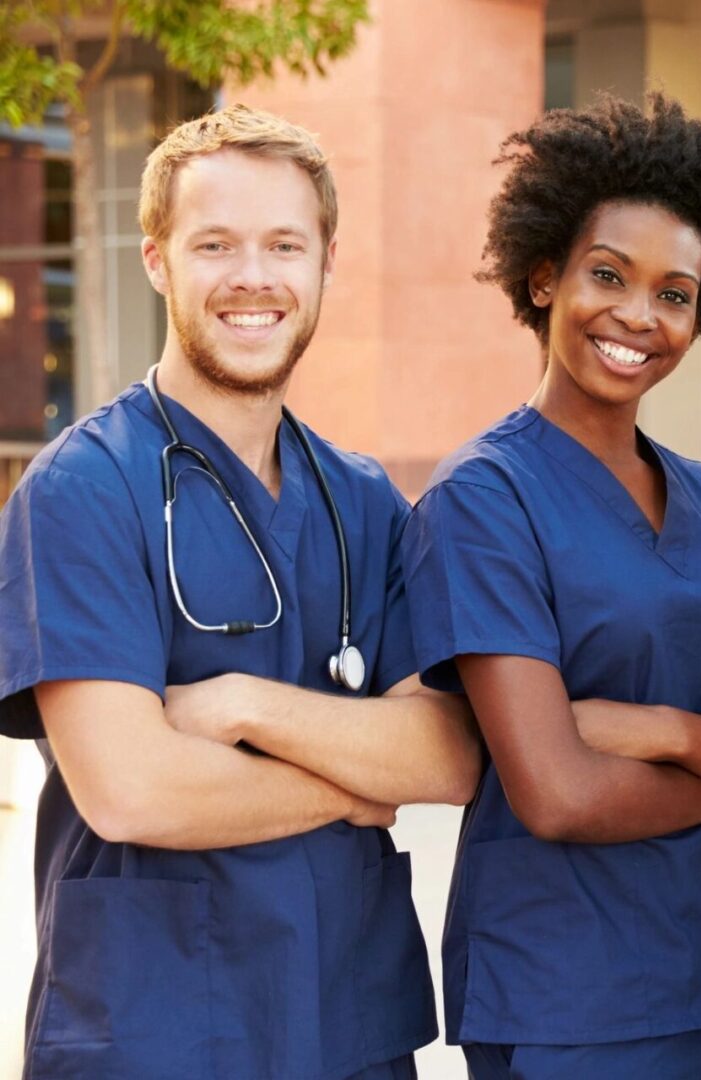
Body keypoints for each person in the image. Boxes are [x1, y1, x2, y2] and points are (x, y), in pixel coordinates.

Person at [0, 104, 481, 1079]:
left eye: (284, 245)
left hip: (347, 1026)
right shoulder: (82, 489)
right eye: (215, 244)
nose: (253, 277)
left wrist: (241, 705)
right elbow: (133, 790)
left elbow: (448, 754)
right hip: (157, 1028)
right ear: (157, 260)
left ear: (326, 264)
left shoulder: (364, 500)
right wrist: (354, 783)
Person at [400, 94, 701, 1079]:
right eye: (608, 275)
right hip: (564, 998)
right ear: (543, 277)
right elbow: (558, 794)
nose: (637, 315)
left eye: (675, 293)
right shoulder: (483, 500)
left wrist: (665, 732)